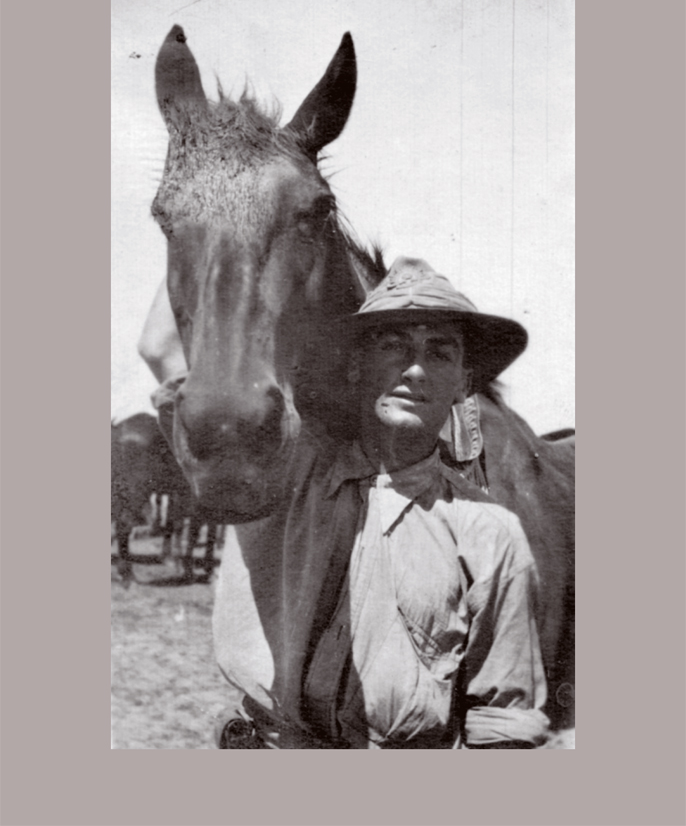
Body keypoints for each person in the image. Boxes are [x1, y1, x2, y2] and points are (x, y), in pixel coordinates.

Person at [141, 257, 549, 749]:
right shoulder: (287, 474)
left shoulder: (489, 534)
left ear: (464, 382)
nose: (415, 369)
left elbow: (503, 726)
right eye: (393, 345)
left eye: (439, 352)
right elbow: (160, 347)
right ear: (357, 365)